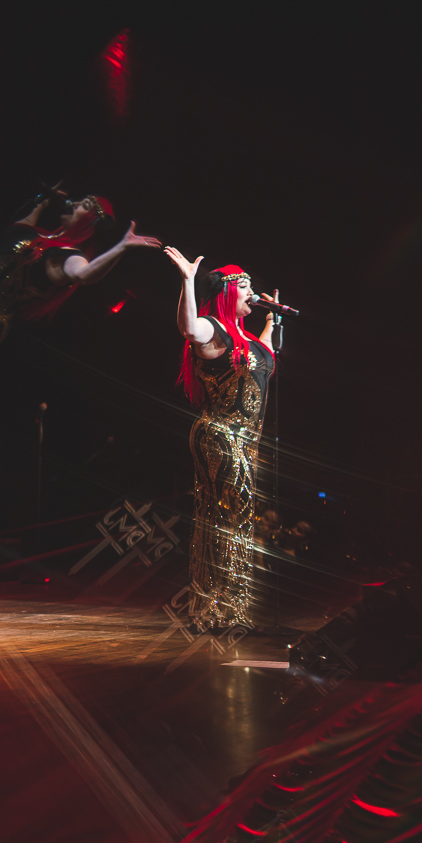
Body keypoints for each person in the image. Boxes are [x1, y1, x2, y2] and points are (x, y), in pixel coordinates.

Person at [164, 245, 275, 627]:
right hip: (221, 436)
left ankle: (215, 607)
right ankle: (224, 609)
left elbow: (264, 363)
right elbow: (188, 329)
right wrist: (187, 282)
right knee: (230, 518)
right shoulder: (214, 328)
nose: (252, 293)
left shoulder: (246, 338)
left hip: (244, 441)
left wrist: (273, 323)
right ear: (228, 292)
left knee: (228, 519)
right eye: (244, 288)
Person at [0, 193, 162, 357]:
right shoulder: (43, 237)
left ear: (89, 222)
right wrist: (42, 200)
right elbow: (17, 227)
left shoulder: (69, 256)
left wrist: (121, 247)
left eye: (86, 205)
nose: (76, 202)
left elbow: (83, 275)